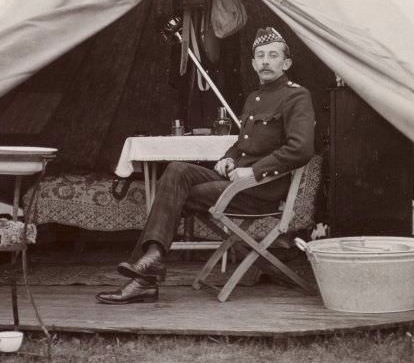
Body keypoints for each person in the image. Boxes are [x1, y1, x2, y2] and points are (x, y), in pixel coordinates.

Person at [96, 27, 316, 304]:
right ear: (252, 63)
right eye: (260, 56)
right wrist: (229, 158)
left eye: (273, 56)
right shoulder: (254, 98)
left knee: (174, 195)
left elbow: (301, 149)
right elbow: (243, 144)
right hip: (237, 181)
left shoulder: (297, 97)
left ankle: (144, 277)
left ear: (286, 64)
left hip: (260, 190)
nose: (265, 61)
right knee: (176, 170)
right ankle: (150, 260)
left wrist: (254, 171)